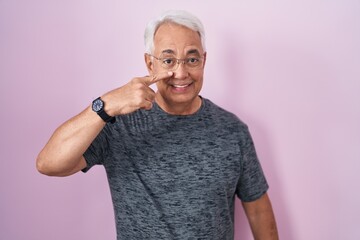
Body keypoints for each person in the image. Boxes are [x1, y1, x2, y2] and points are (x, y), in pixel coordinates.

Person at [37, 10, 278, 240]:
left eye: (191, 59)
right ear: (150, 64)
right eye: (168, 60)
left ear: (203, 61)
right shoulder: (118, 124)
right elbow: (49, 163)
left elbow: (257, 208)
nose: (181, 72)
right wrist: (106, 104)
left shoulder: (232, 130)